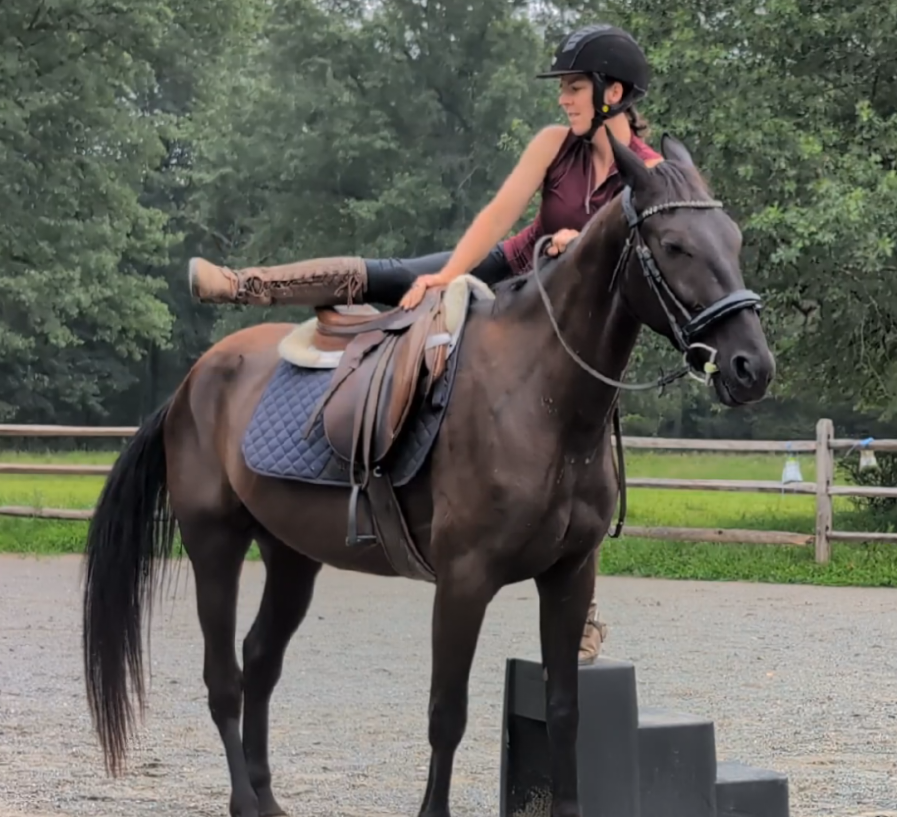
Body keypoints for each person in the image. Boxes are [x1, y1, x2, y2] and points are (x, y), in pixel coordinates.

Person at [188, 24, 662, 663]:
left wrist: (579, 248)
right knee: (390, 274)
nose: (563, 98)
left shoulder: (651, 176)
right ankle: (242, 284)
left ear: (614, 92)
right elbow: (498, 215)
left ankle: (585, 606)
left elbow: (640, 263)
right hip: (513, 267)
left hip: (569, 337)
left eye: (574, 87)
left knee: (579, 449)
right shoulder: (554, 145)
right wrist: (448, 276)